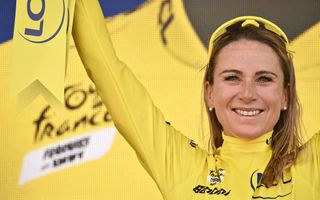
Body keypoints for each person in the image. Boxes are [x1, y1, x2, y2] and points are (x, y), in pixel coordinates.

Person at [72, 0, 319, 199]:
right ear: (209, 93)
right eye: (232, 77)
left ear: (285, 95)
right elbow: (105, 68)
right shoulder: (183, 169)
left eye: (264, 79)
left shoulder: (312, 169)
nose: (247, 93)